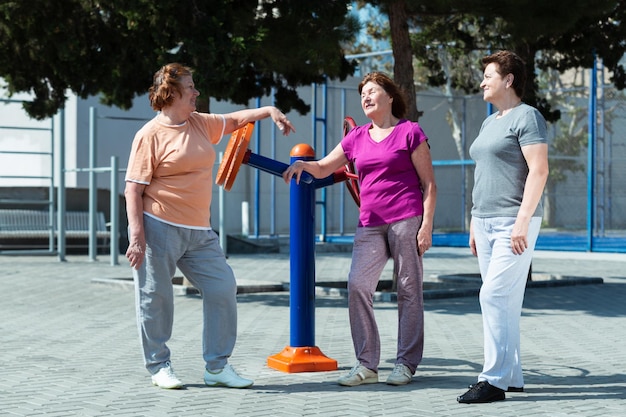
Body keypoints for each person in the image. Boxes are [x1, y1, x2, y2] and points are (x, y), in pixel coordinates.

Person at [125, 62, 295, 389]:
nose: (196, 92)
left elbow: (234, 120)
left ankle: (217, 367)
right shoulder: (150, 135)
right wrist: (137, 236)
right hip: (158, 225)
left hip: (200, 231)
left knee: (222, 287)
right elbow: (133, 188)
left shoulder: (200, 123)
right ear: (171, 93)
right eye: (190, 88)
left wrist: (269, 110)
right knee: (156, 297)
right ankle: (159, 365)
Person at [282, 72, 437, 387]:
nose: (366, 97)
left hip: (406, 218)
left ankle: (406, 364)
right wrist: (303, 166)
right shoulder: (356, 137)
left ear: (389, 96)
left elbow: (430, 184)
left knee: (408, 290)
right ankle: (367, 364)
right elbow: (325, 166)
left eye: (372, 91)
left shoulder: (410, 131)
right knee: (357, 286)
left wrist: (426, 225)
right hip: (370, 223)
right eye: (363, 93)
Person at [456, 51, 549, 404]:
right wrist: (472, 223)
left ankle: (492, 379)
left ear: (508, 80)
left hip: (514, 220)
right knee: (505, 301)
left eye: (488, 75)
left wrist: (523, 221)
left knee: (492, 295)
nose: (482, 81)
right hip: (484, 221)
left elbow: (539, 171)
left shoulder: (528, 117)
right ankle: (512, 375)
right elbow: (483, 173)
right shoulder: (489, 122)